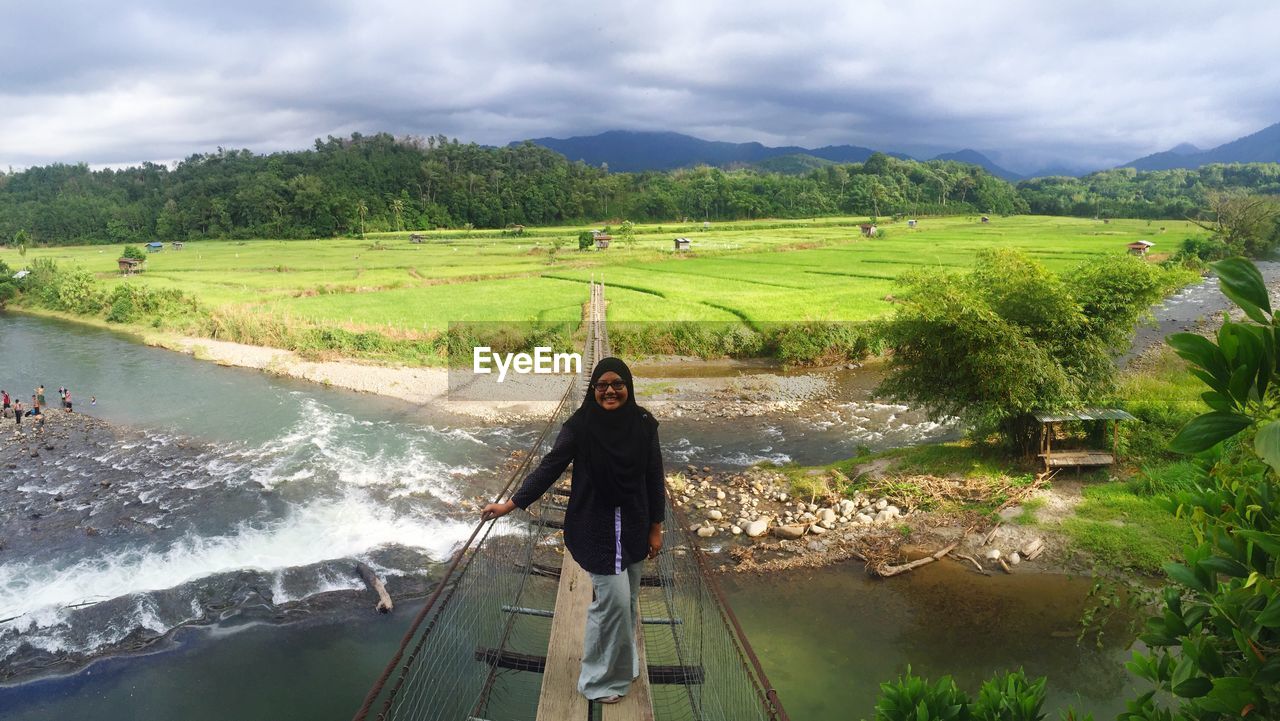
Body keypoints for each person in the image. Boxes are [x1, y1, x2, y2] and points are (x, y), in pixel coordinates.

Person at [481, 357, 665, 705]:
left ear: (628, 387)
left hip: (635, 528)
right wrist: (512, 503)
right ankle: (597, 682)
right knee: (611, 605)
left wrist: (657, 528)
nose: (610, 391)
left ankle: (624, 666)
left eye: (617, 384)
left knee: (627, 602)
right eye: (601, 386)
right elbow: (550, 466)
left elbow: (655, 478)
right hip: (596, 530)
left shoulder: (644, 425)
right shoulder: (580, 427)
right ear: (593, 390)